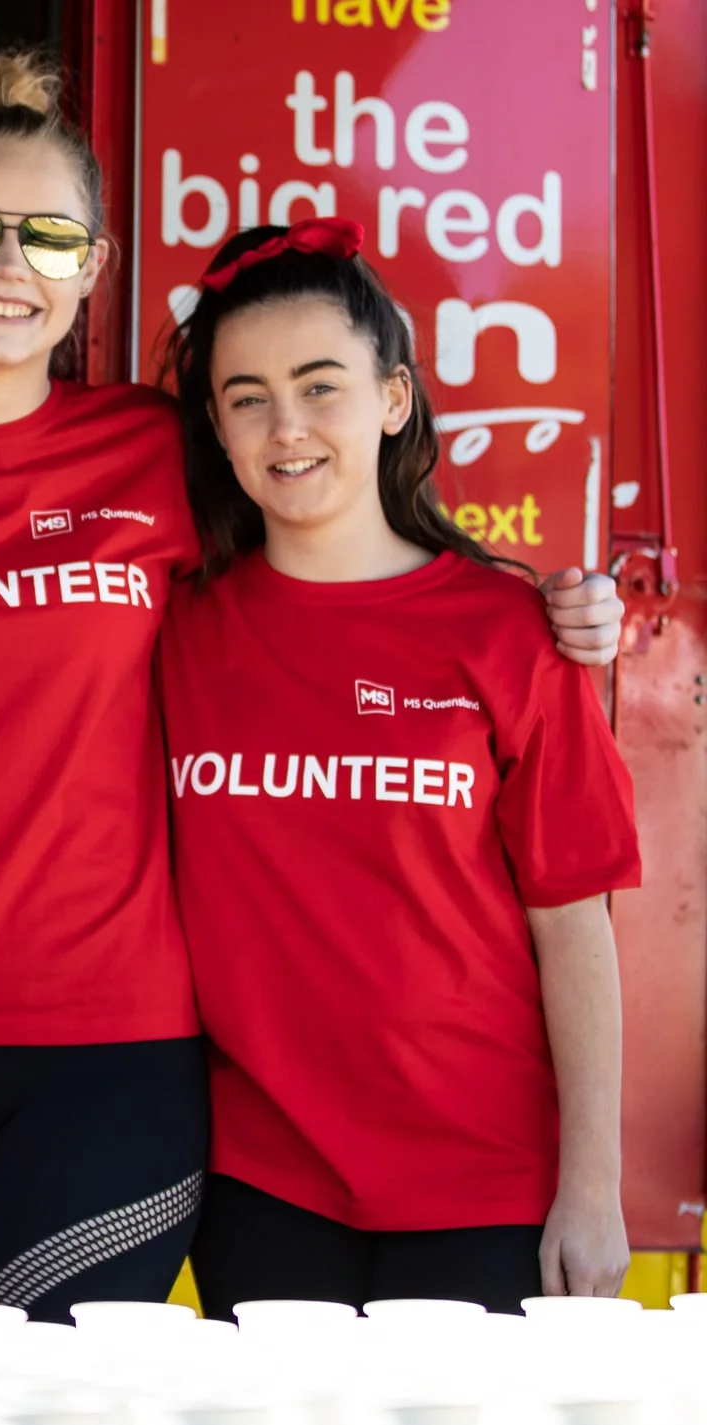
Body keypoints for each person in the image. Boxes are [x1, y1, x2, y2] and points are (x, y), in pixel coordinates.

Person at [0, 50, 626, 1323]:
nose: (7, 264)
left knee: (20, 1388)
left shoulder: (152, 449)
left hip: (115, 1036)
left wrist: (558, 604)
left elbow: (347, 536)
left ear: (92, 270)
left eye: (48, 235)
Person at [161, 219, 638, 1313]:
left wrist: (593, 1185)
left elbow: (572, 919)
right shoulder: (175, 625)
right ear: (216, 428)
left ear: (392, 400)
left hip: (482, 1179)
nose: (284, 426)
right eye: (245, 395)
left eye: (319, 385)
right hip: (262, 1180)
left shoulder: (509, 630)